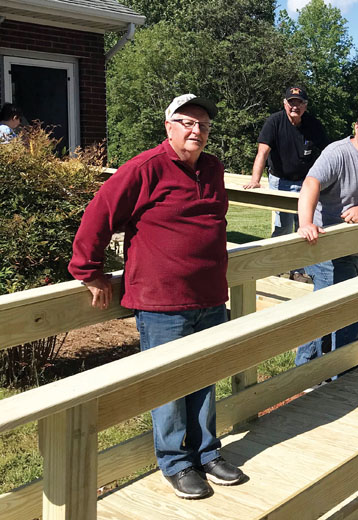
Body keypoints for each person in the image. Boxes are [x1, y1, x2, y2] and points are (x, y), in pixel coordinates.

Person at [68, 94, 246, 500]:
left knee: (204, 377)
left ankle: (206, 453)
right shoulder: (144, 168)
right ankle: (176, 462)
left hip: (210, 296)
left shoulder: (213, 168)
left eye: (203, 125)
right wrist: (88, 271)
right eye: (187, 122)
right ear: (168, 127)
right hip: (162, 301)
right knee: (168, 384)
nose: (196, 130)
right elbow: (99, 214)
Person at [295, 108, 358, 366]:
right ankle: (313, 370)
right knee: (331, 312)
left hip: (354, 246)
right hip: (325, 243)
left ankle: (333, 369)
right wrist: (305, 224)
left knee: (343, 309)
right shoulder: (337, 153)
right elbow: (311, 183)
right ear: (356, 127)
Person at [244, 87, 329, 281]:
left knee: (305, 224)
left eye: (299, 103)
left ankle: (299, 270)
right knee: (283, 225)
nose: (295, 106)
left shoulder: (313, 124)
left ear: (305, 106)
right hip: (280, 179)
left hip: (306, 182)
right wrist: (255, 180)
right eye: (291, 102)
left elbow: (327, 153)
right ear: (284, 104)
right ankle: (276, 265)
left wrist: (328, 180)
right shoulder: (274, 122)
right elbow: (262, 153)